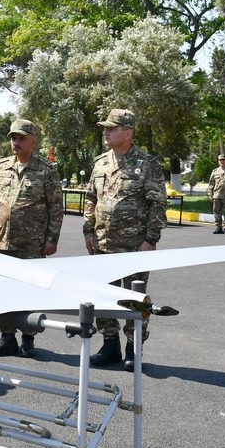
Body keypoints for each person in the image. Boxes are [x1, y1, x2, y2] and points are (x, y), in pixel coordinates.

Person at [83, 108, 166, 372]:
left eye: (111, 128)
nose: (105, 132)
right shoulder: (101, 163)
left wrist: (150, 239)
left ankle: (134, 348)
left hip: (134, 247)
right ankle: (110, 345)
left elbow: (158, 204)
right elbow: (90, 199)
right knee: (104, 295)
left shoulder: (147, 163)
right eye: (105, 128)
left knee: (134, 298)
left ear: (127, 133)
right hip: (103, 244)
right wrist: (88, 230)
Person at [0, 119, 63, 358]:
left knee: (30, 291)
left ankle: (28, 339)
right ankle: (7, 337)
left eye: (20, 138)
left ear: (32, 141)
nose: (15, 142)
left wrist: (52, 239)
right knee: (2, 291)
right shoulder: (1, 167)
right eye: (13, 138)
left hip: (32, 244)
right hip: (3, 241)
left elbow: (56, 208)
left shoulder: (46, 170)